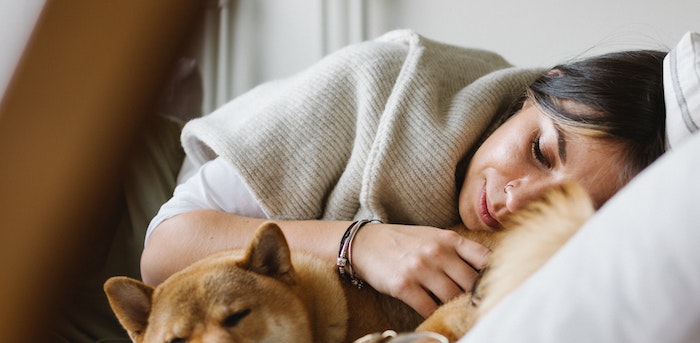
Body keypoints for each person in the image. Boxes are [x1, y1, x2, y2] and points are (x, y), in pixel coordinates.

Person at [141, 31, 666, 318]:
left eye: (558, 206)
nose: (514, 200)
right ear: (543, 87)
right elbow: (162, 253)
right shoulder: (381, 81)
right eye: (540, 151)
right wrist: (360, 244)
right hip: (132, 208)